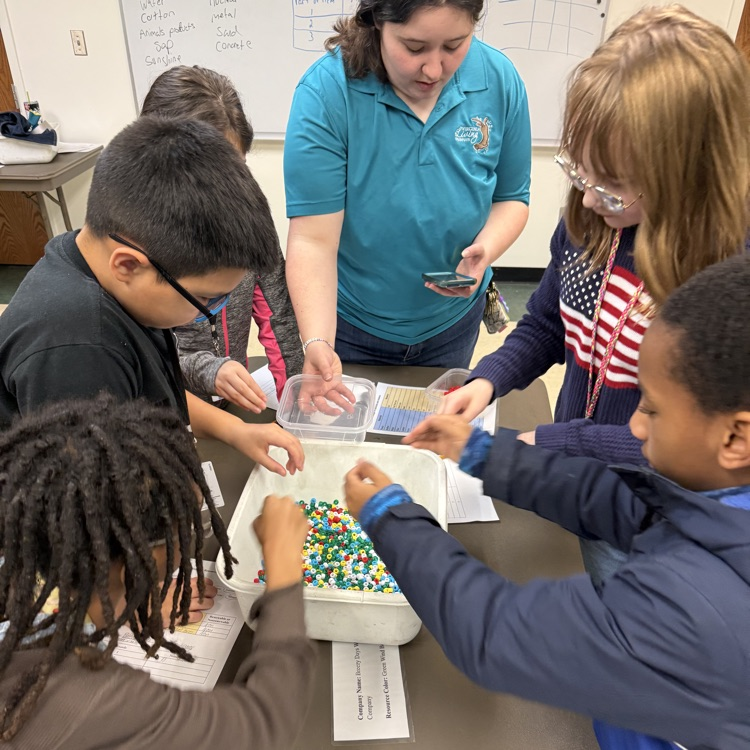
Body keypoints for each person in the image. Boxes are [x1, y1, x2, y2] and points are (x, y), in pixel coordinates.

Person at [344, 253, 750, 750]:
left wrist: (390, 516)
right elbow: (613, 502)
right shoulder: (719, 503)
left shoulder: (693, 610)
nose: (636, 425)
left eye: (652, 409)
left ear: (735, 438)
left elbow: (493, 633)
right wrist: (483, 453)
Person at [439, 5, 750, 582]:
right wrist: (487, 380)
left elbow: (699, 441)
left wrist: (553, 440)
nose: (586, 201)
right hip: (582, 484)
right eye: (579, 173)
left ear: (686, 174)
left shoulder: (728, 278)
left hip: (666, 519)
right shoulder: (596, 223)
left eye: (610, 186)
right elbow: (547, 325)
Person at [0, 395, 315, 747]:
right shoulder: (91, 699)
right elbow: (266, 722)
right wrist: (285, 563)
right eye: (171, 565)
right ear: (129, 576)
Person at [0, 115, 304, 479]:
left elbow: (154, 394)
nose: (211, 311)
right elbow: (94, 517)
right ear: (128, 265)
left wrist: (234, 430)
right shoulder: (78, 351)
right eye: (206, 300)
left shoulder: (103, 265)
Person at [284, 0, 531, 377]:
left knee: (429, 428)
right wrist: (317, 341)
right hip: (349, 323)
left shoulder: (499, 79)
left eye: (454, 45)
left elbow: (512, 197)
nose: (434, 69)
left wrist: (487, 250)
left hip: (452, 322)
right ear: (376, 23)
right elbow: (313, 241)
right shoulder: (328, 92)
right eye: (414, 48)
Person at [140, 65, 303, 411]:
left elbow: (278, 315)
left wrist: (296, 395)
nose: (224, 189)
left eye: (235, 168)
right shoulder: (138, 241)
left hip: (232, 397)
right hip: (169, 408)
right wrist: (208, 369)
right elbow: (145, 357)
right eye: (207, 172)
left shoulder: (247, 214)